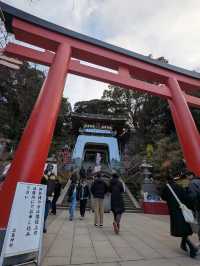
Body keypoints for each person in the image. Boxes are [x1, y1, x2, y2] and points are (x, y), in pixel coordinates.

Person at [161, 176, 198, 258]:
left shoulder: (166, 188)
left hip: (174, 212)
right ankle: (184, 245)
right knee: (184, 229)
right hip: (182, 210)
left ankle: (191, 248)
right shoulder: (180, 187)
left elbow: (163, 197)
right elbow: (187, 199)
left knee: (181, 230)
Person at [187, 172, 200, 245]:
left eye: (188, 176)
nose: (187, 178)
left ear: (191, 176)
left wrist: (192, 207)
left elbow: (193, 196)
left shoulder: (192, 183)